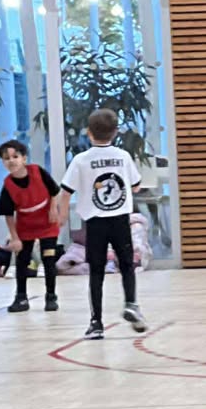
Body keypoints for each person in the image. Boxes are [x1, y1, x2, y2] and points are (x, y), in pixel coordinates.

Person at [58, 108, 147, 339]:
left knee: (96, 272)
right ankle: (131, 304)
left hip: (95, 222)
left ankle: (96, 322)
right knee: (126, 265)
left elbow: (66, 191)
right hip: (120, 220)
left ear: (89, 132)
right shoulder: (123, 156)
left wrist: (62, 215)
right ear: (115, 132)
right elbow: (136, 186)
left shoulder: (81, 160)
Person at [0, 140, 63, 312]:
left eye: (15, 156)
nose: (11, 161)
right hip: (25, 226)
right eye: (6, 158)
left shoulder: (38, 172)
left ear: (24, 158)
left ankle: (51, 296)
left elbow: (55, 191)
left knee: (48, 259)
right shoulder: (8, 185)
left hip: (47, 223)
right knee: (22, 261)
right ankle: (21, 298)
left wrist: (53, 208)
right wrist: (14, 238)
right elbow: (8, 214)